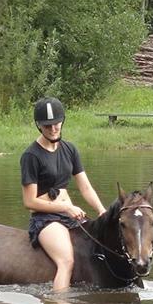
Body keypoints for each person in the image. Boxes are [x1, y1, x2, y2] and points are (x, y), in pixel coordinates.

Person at [21, 97, 106, 292]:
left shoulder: (70, 150)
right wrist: (66, 207)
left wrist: (101, 210)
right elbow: (29, 201)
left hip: (69, 215)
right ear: (39, 126)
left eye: (56, 124)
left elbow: (85, 187)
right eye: (47, 126)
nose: (53, 129)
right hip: (46, 219)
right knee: (66, 261)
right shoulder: (31, 156)